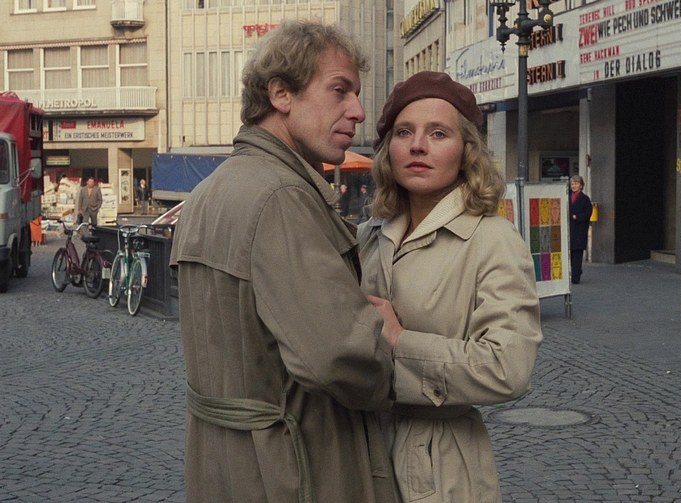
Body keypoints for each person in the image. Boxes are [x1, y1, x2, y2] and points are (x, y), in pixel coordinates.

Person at [169, 21, 401, 503]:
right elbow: (339, 357)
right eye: (339, 90)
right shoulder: (280, 196)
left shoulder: (210, 190)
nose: (358, 111)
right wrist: (389, 347)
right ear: (281, 94)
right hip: (295, 470)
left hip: (226, 467)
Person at [358, 71, 543, 503]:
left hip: (441, 466)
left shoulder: (493, 240)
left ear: (466, 152)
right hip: (360, 449)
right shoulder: (368, 235)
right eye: (404, 132)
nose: (418, 145)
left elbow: (508, 368)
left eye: (438, 133)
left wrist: (400, 342)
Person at [569, 174, 593, 284]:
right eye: (572, 184)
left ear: (581, 185)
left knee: (577, 255)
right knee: (569, 255)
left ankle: (576, 277)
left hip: (579, 231)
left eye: (576, 183)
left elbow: (588, 214)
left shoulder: (585, 199)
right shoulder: (567, 197)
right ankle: (575, 272)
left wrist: (577, 217)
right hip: (569, 230)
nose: (574, 186)